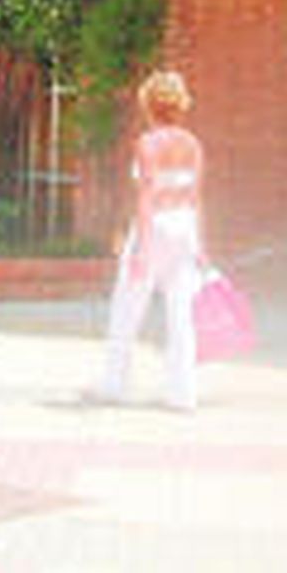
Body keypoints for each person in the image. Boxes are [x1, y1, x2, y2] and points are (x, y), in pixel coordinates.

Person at [87, 70, 205, 412]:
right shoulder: (192, 144)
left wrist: (140, 246)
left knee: (126, 309)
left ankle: (114, 385)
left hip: (155, 227)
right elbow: (196, 196)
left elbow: (147, 195)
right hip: (185, 227)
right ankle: (183, 394)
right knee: (181, 315)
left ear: (148, 106)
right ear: (180, 105)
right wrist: (201, 245)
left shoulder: (148, 143)